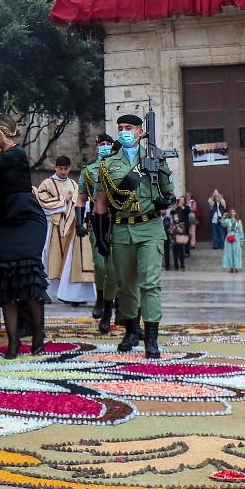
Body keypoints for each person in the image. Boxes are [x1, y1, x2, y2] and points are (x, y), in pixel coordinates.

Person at [89, 112, 172, 358]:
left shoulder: (155, 159)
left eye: (129, 127)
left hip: (149, 228)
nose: (123, 131)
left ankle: (152, 339)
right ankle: (132, 331)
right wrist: (101, 234)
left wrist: (163, 200)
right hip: (122, 229)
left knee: (150, 284)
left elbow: (169, 194)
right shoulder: (108, 163)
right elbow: (100, 203)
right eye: (120, 127)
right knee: (126, 286)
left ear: (139, 131)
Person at [0, 115, 49, 358]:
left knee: (29, 277)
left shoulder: (15, 153)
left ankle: (38, 336)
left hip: (27, 220)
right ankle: (13, 343)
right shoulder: (1, 157)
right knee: (6, 281)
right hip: (5, 220)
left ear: (2, 131)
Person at [37, 156, 94, 307]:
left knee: (67, 260)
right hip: (53, 227)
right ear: (55, 168)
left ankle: (65, 292)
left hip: (70, 227)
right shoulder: (47, 184)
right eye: (60, 168)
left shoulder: (74, 184)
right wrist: (63, 200)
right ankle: (47, 292)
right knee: (51, 258)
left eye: (66, 169)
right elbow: (42, 201)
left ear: (69, 168)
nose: (63, 172)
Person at [78, 134, 117, 333]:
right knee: (101, 266)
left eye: (107, 144)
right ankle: (101, 297)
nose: (104, 147)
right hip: (98, 223)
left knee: (116, 267)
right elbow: (81, 198)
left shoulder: (121, 165)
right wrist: (79, 223)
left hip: (119, 222)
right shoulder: (88, 171)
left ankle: (113, 304)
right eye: (101, 144)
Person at [169, 197, 192, 271]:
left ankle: (183, 263)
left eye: (183, 200)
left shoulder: (186, 207)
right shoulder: (176, 208)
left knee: (182, 247)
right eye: (180, 200)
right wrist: (174, 208)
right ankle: (176, 265)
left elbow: (187, 212)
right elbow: (171, 213)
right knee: (175, 250)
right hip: (175, 230)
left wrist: (182, 206)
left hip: (183, 228)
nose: (181, 201)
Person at [222, 208, 244, 272]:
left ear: (235, 213)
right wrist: (223, 216)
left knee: (236, 252)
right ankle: (231, 267)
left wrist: (241, 240)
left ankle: (236, 267)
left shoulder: (239, 221)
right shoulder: (227, 220)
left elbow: (241, 231)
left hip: (236, 237)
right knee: (229, 252)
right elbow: (223, 224)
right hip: (229, 236)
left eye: (234, 212)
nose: (232, 213)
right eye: (231, 212)